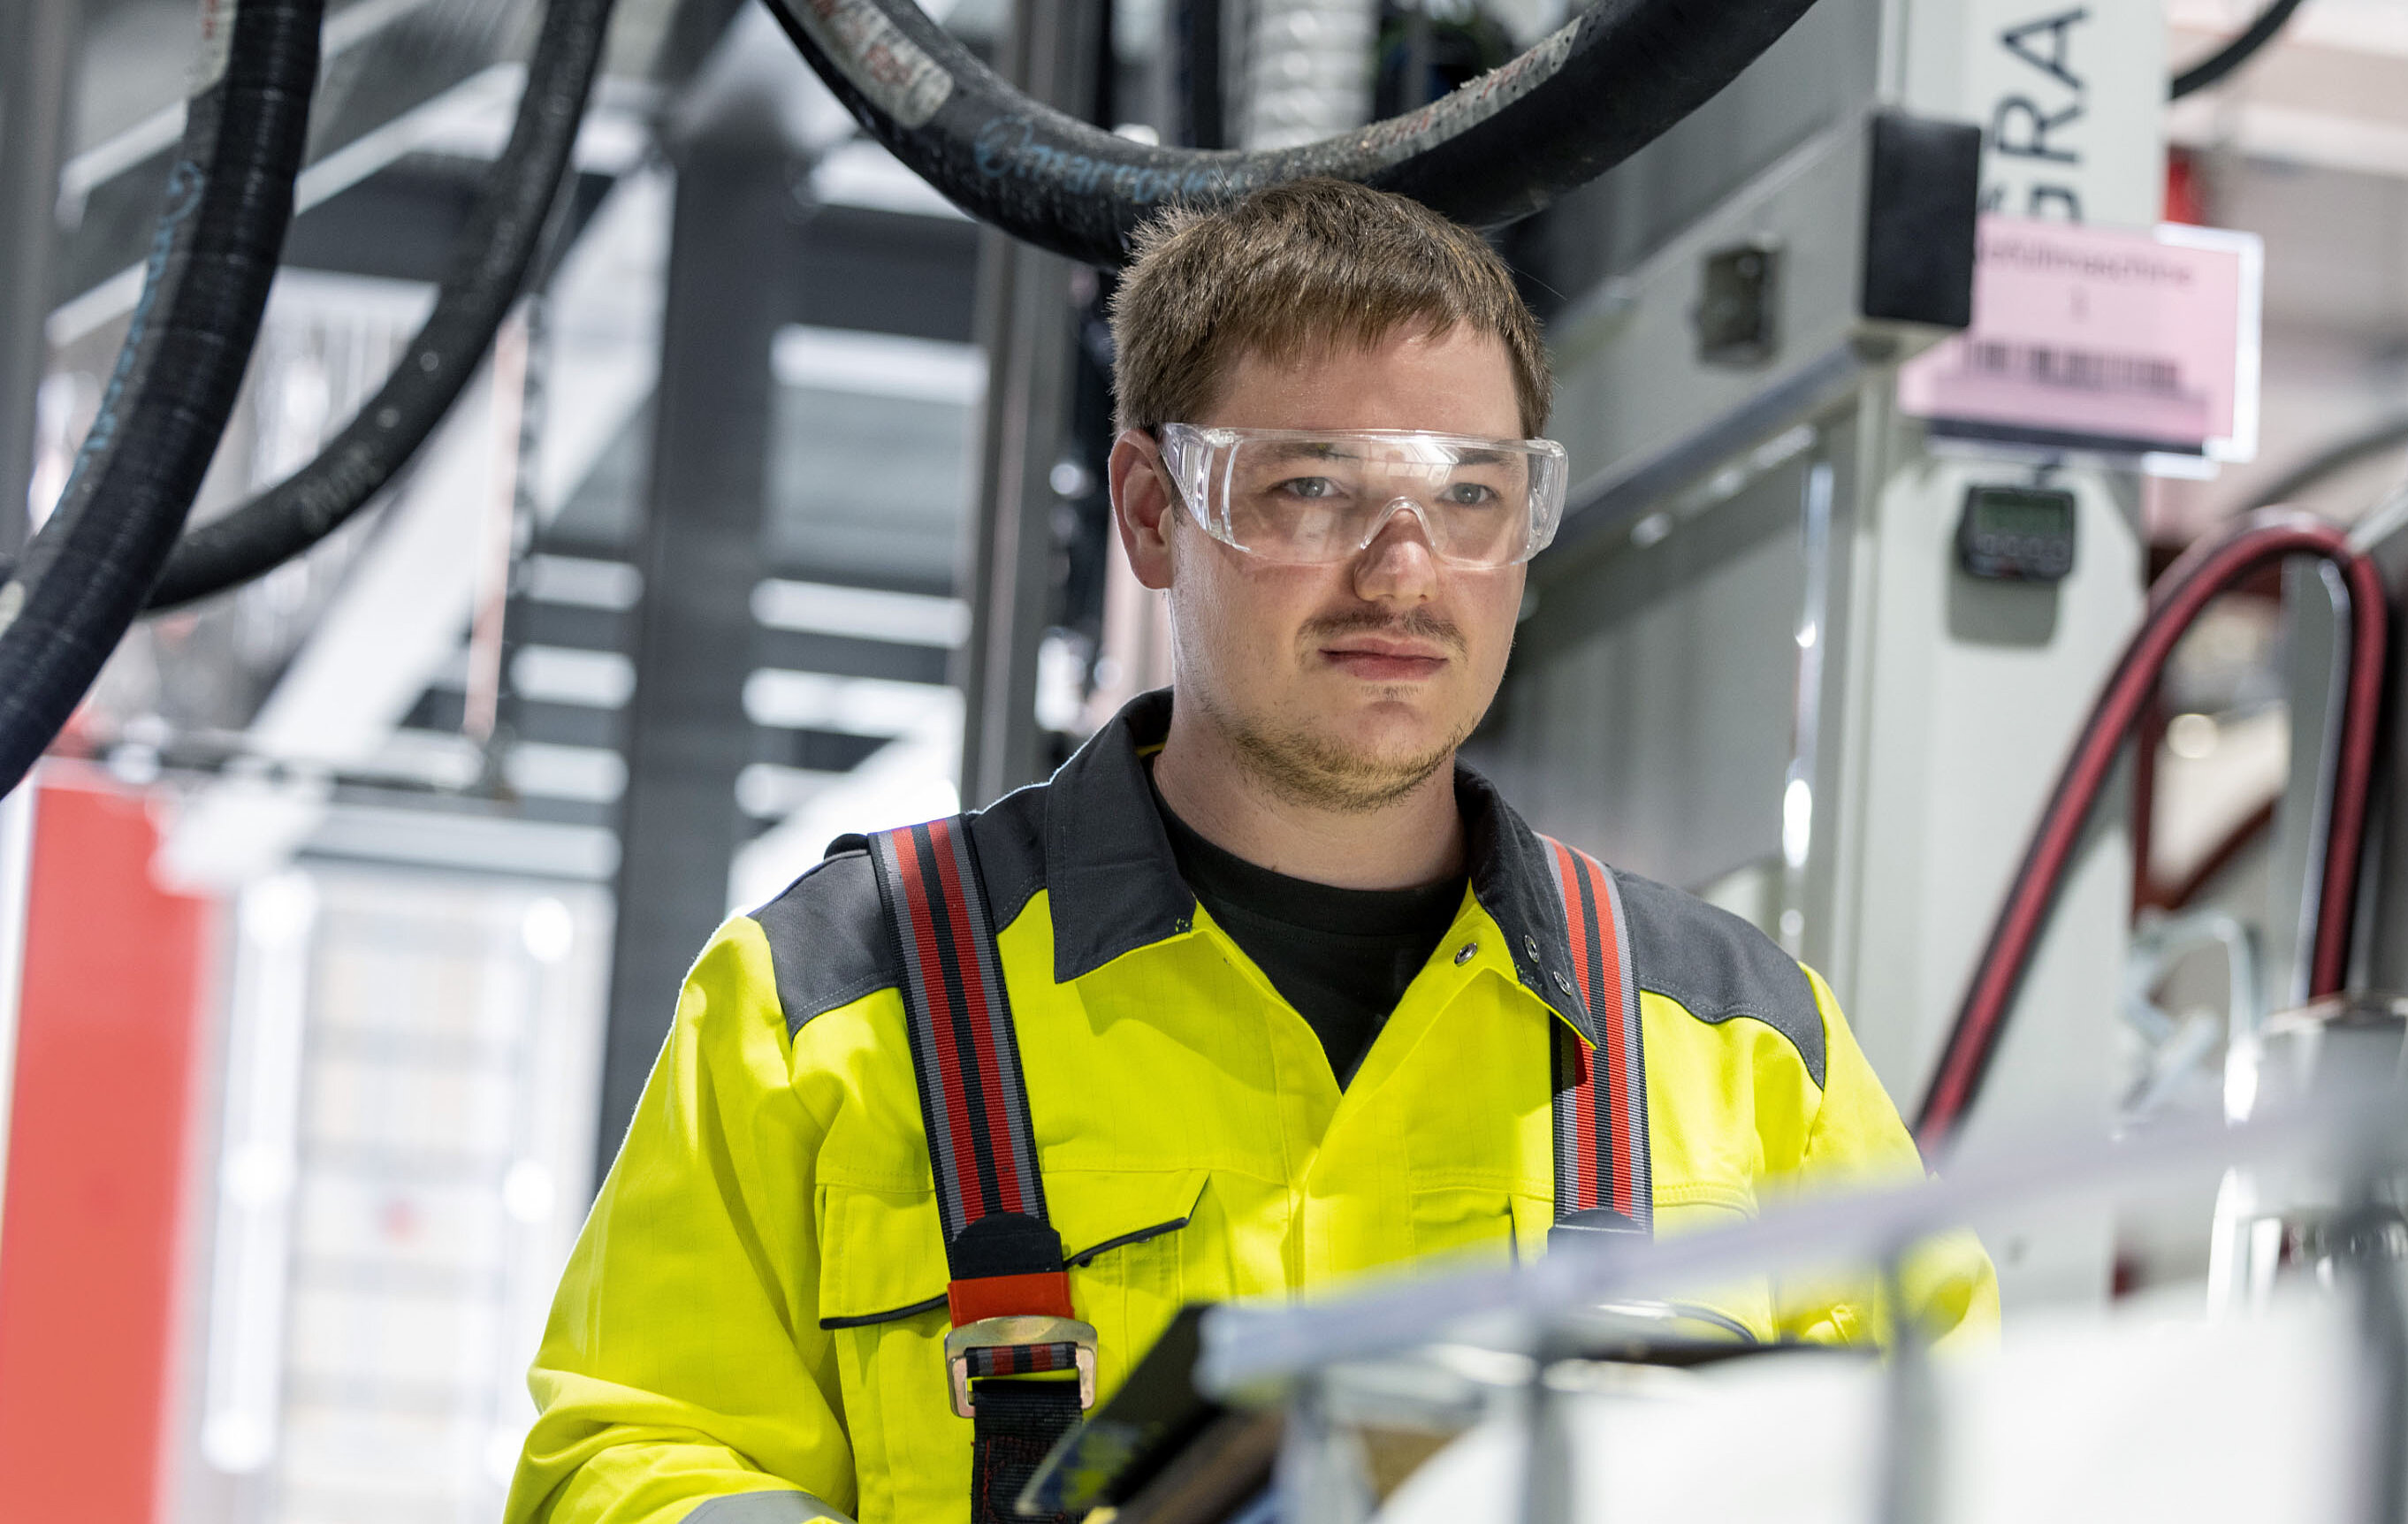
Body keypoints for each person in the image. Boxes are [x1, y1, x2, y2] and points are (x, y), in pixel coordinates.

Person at [507, 178, 1994, 1524]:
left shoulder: (1745, 1049)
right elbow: (625, 1466)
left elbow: (1962, 1460)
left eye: (1469, 495)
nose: (1404, 572)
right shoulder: (834, 999)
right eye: (1313, 488)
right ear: (1153, 510)